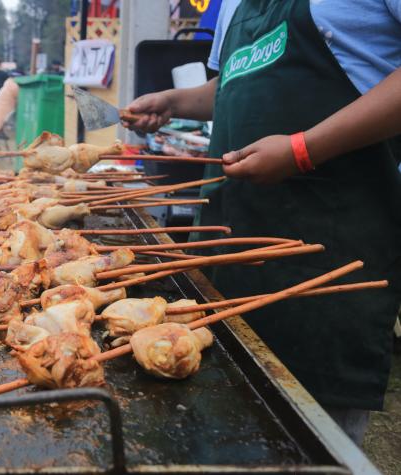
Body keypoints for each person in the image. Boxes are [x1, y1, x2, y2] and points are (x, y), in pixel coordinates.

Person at [124, 0, 401, 445]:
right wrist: (174, 102)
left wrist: (304, 149)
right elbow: (234, 83)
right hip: (223, 249)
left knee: (301, 443)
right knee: (211, 428)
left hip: (323, 257)